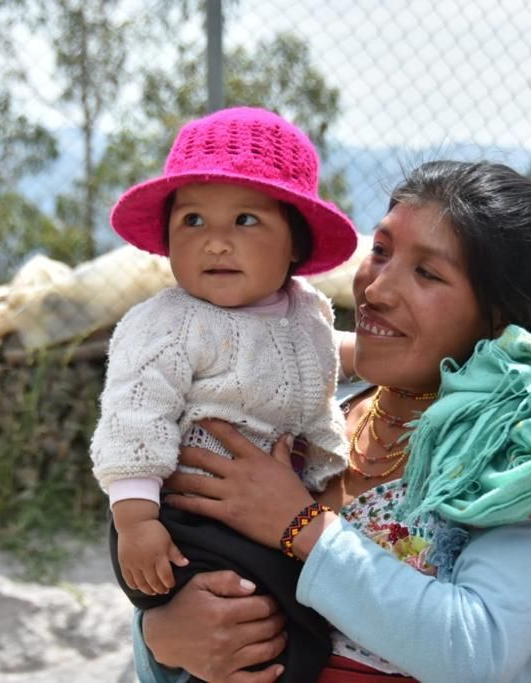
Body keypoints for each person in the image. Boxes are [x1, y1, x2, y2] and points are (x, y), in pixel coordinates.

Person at [133, 159, 531, 683]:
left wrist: (300, 525)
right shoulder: (314, 416)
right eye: (380, 252)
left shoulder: (530, 454)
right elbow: (180, 568)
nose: (377, 289)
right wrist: (162, 635)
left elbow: (477, 649)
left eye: (427, 273)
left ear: (497, 317)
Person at [89, 106, 358, 681]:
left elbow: (322, 391)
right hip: (181, 517)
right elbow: (134, 418)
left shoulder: (308, 315)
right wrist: (137, 521)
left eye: (245, 220)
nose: (215, 243)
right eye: (192, 221)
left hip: (270, 513)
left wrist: (329, 481)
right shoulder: (166, 324)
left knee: (296, 634)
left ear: (295, 244)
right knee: (227, 611)